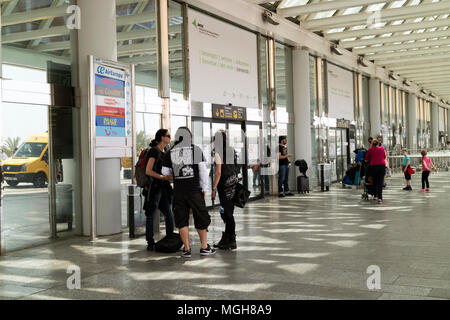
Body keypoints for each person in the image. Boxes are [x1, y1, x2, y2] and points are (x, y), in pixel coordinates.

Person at [162, 127, 215, 258]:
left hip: (179, 192)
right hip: (194, 191)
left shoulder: (170, 151)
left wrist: (175, 176)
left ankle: (186, 249)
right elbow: (203, 171)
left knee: (182, 220)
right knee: (201, 217)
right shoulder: (195, 150)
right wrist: (204, 188)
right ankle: (204, 247)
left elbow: (165, 172)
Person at [144, 129, 175, 251]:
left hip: (164, 188)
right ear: (162, 137)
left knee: (169, 214)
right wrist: (163, 177)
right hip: (155, 188)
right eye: (168, 136)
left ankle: (170, 238)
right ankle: (150, 241)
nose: (170, 138)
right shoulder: (154, 151)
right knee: (151, 214)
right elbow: (148, 170)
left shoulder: (166, 151)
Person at [211, 130, 239, 250]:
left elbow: (218, 172)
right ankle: (228, 238)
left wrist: (213, 188)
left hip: (224, 185)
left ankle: (231, 239)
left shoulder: (218, 153)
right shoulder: (231, 150)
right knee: (228, 212)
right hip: (233, 183)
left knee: (226, 213)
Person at [365, 139, 386, 204]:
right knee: (380, 182)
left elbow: (366, 159)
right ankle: (380, 198)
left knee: (374, 181)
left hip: (374, 167)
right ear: (378, 144)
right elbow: (384, 157)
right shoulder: (382, 149)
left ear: (372, 144)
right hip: (382, 166)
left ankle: (375, 195)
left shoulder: (370, 149)